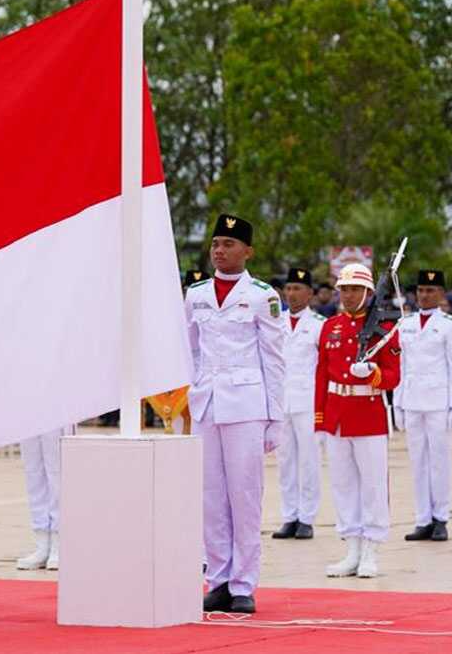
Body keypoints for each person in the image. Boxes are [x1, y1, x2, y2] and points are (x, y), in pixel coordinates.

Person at [185, 213, 285, 614]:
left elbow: (275, 360)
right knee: (210, 496)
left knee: (244, 496)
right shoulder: (196, 294)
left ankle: (244, 582)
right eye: (215, 245)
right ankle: (219, 578)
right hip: (207, 402)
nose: (219, 251)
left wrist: (274, 418)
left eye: (228, 245)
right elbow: (190, 349)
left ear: (248, 251)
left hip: (246, 404)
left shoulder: (263, 296)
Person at [315, 263, 400, 577]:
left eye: (354, 289)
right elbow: (321, 374)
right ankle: (351, 548)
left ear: (368, 293)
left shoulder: (384, 328)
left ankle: (371, 549)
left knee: (373, 485)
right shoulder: (330, 327)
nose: (348, 295)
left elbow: (394, 377)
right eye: (344, 289)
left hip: (368, 413)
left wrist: (374, 374)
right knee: (343, 484)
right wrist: (320, 420)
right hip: (337, 414)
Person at [395, 269, 452, 542]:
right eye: (421, 290)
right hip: (412, 400)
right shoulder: (406, 323)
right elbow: (402, 366)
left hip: (438, 402)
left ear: (441, 294)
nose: (424, 295)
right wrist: (398, 404)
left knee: (439, 462)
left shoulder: (450, 324)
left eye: (430, 291)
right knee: (418, 462)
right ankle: (422, 518)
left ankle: (441, 519)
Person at [272, 267, 326, 541]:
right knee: (285, 461)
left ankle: (306, 518)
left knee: (309, 461)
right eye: (289, 288)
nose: (291, 294)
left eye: (297, 289)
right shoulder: (276, 322)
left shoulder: (319, 325)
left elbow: (324, 368)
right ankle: (289, 516)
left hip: (308, 401)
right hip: (282, 401)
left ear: (310, 293)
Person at [15, 426, 73, 570]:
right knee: (33, 473)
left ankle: (58, 544)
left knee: (57, 473)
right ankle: (42, 544)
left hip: (58, 410)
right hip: (27, 410)